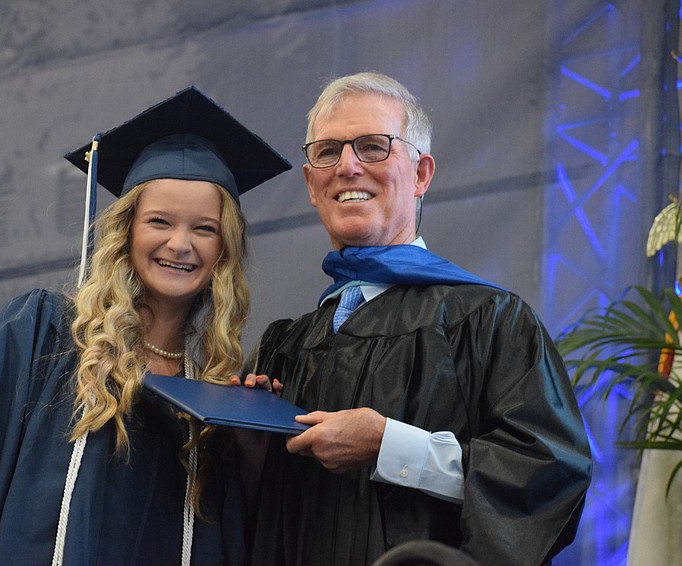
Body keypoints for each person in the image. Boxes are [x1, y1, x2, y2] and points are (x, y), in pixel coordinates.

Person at [0, 86, 290, 565]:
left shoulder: (210, 406)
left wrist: (251, 453)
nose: (180, 244)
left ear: (224, 250)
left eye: (204, 228)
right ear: (126, 232)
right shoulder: (42, 334)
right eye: (159, 221)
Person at [242, 72, 592, 565]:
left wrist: (391, 446)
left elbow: (549, 476)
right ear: (310, 184)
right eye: (327, 152)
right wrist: (249, 449)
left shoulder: (489, 320)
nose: (347, 166)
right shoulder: (284, 346)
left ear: (422, 173)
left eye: (373, 146)